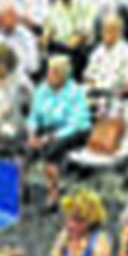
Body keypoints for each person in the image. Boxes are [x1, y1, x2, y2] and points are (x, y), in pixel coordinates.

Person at [25, 56, 92, 210]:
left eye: (53, 73)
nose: (48, 76)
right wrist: (32, 134)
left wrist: (48, 138)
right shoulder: (42, 89)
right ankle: (21, 189)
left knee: (51, 151)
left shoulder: (75, 92)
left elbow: (75, 124)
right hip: (48, 128)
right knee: (24, 146)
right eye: (48, 72)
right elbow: (34, 116)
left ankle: (53, 195)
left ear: (63, 76)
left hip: (75, 130)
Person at [48, 188, 113, 256]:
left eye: (76, 220)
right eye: (68, 217)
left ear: (89, 221)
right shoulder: (67, 233)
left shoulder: (101, 241)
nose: (69, 224)